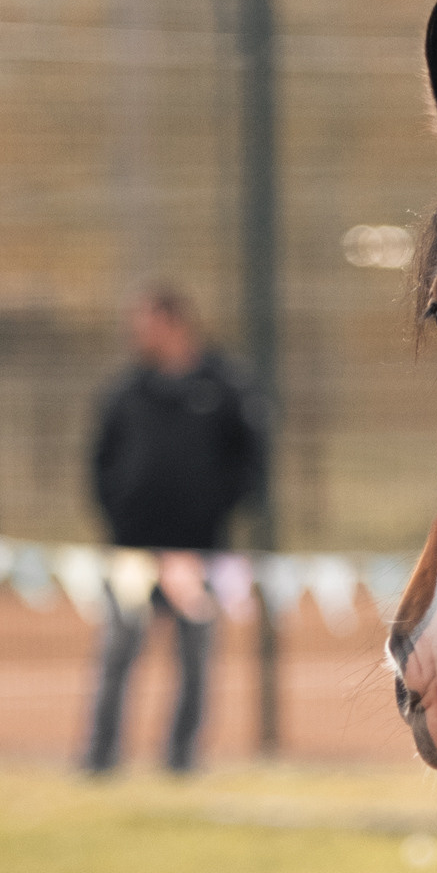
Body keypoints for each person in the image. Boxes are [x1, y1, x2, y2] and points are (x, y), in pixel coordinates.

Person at [84, 284, 268, 773]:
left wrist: (214, 511)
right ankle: (99, 762)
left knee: (194, 667)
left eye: (145, 323)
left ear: (173, 322)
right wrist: (119, 513)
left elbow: (250, 462)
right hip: (132, 552)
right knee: (116, 660)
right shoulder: (125, 390)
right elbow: (99, 461)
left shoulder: (226, 385)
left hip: (201, 551)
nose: (136, 334)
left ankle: (182, 763)